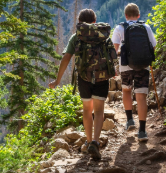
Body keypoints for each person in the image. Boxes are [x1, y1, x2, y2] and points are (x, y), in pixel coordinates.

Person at [49, 9, 116, 160]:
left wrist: (57, 80)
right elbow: (112, 56)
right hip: (101, 77)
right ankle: (95, 142)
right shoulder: (103, 35)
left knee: (87, 110)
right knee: (99, 111)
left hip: (84, 78)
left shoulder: (76, 37)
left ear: (79, 22)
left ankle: (88, 139)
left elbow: (66, 58)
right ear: (95, 21)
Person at [111, 3, 157, 142]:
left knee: (126, 91)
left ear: (125, 15)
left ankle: (130, 120)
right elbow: (153, 45)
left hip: (125, 66)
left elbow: (114, 49)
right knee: (141, 96)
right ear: (138, 15)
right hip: (143, 65)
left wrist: (114, 65)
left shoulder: (120, 27)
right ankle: (142, 131)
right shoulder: (145, 27)